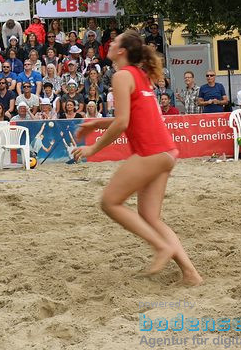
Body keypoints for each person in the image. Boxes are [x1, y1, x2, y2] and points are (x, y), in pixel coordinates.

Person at [72, 29, 201, 286]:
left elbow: (122, 123)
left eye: (115, 42)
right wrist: (96, 123)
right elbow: (131, 118)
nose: (110, 44)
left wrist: (92, 149)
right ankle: (190, 273)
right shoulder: (139, 75)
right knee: (150, 216)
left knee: (110, 202)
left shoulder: (121, 75)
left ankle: (160, 247)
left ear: (121, 51)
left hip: (150, 152)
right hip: (166, 152)